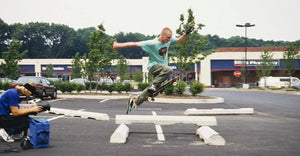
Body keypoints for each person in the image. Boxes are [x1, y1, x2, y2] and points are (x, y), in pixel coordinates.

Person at [113, 24, 194, 113]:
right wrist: (118, 45)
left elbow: (179, 40)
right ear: (162, 35)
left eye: (170, 38)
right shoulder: (152, 43)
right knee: (169, 70)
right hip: (154, 67)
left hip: (161, 70)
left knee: (152, 92)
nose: (169, 40)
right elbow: (134, 44)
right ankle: (154, 85)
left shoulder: (168, 41)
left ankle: (133, 103)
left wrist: (187, 32)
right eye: (168, 38)